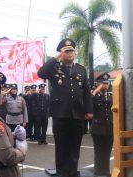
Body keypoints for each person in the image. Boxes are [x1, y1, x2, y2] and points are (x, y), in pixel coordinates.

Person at [37, 38, 93, 177]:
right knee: (61, 146)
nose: (69, 53)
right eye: (66, 51)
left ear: (75, 53)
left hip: (78, 114)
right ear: (61, 53)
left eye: (71, 51)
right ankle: (62, 173)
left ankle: (73, 172)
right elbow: (41, 73)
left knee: (75, 145)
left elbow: (86, 91)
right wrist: (56, 57)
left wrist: (89, 110)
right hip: (60, 114)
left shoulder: (81, 69)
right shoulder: (54, 68)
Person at [90, 72, 113, 177]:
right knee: (99, 151)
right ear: (98, 84)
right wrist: (96, 91)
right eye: (103, 83)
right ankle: (98, 171)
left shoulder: (110, 96)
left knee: (107, 151)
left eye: (107, 83)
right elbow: (88, 104)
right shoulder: (94, 95)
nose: (105, 85)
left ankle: (106, 171)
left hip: (109, 128)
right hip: (98, 128)